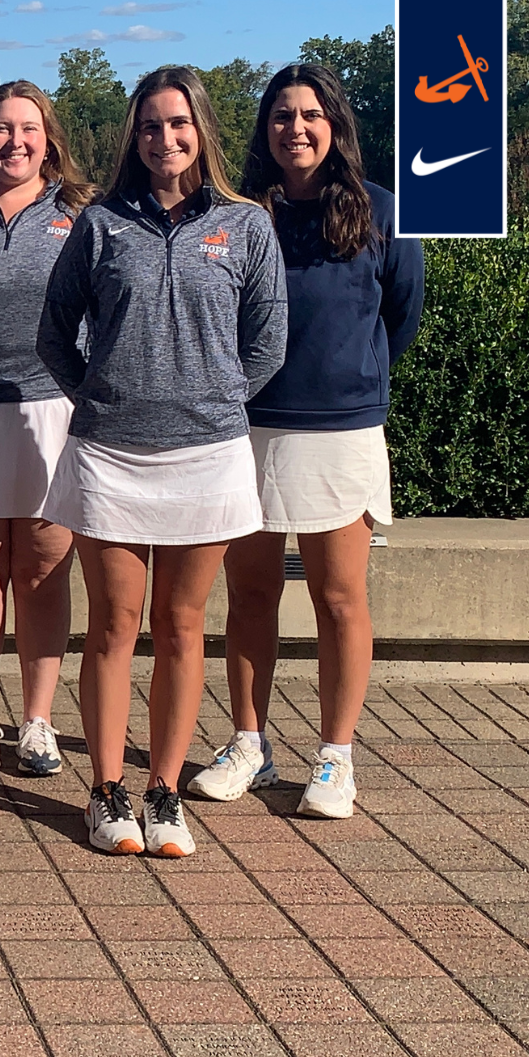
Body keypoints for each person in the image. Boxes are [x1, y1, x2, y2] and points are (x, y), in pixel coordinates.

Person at [38, 67, 288, 858]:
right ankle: (107, 791)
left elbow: (268, 341)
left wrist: (210, 401)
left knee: (182, 629)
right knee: (112, 627)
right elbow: (54, 332)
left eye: (178, 124)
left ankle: (164, 791)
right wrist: (105, 396)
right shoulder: (102, 223)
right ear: (134, 137)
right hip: (109, 452)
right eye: (150, 126)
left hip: (208, 456)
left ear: (202, 130)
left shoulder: (246, 225)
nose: (165, 139)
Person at [192, 63, 423, 819]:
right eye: (281, 115)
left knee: (338, 598)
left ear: (335, 125)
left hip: (343, 432)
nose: (295, 127)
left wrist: (350, 381)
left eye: (310, 114)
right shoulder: (237, 215)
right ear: (265, 129)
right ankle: (250, 745)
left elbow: (401, 318)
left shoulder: (383, 212)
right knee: (251, 592)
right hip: (247, 427)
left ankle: (335, 759)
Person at [0, 80, 95, 778]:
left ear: (49, 137)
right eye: (0, 129)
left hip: (52, 412)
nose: (14, 142)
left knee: (40, 572)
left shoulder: (81, 212)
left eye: (27, 129)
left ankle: (36, 721)